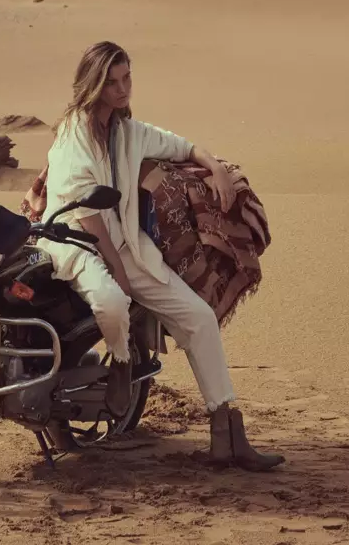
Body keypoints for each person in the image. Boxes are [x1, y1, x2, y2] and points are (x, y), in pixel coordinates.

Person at [39, 40, 284, 470]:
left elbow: (183, 146)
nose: (122, 88)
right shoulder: (75, 131)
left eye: (127, 77)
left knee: (200, 318)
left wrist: (218, 169)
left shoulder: (128, 133)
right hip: (77, 242)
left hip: (127, 245)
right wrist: (120, 275)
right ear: (93, 85)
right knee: (113, 302)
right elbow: (90, 218)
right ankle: (120, 360)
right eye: (112, 81)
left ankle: (228, 433)